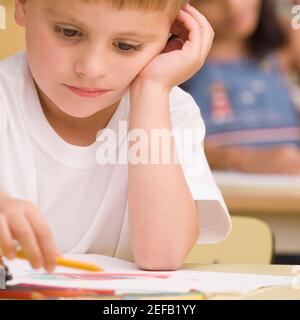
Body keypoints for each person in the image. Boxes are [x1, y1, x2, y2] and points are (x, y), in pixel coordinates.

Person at [0, 0, 231, 272]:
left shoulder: (170, 110)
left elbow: (162, 255)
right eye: (68, 32)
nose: (92, 68)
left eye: (126, 46)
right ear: (23, 5)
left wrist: (152, 88)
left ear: (173, 33)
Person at [182, 0, 300, 174]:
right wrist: (241, 159)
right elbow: (168, 145)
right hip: (230, 193)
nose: (233, 6)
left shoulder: (283, 51)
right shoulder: (178, 63)